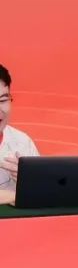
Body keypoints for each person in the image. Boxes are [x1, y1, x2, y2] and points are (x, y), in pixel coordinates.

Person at [0, 64, 40, 205]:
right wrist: (14, 196)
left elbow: (45, 191)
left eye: (3, 100)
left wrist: (31, 181)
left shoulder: (22, 142)